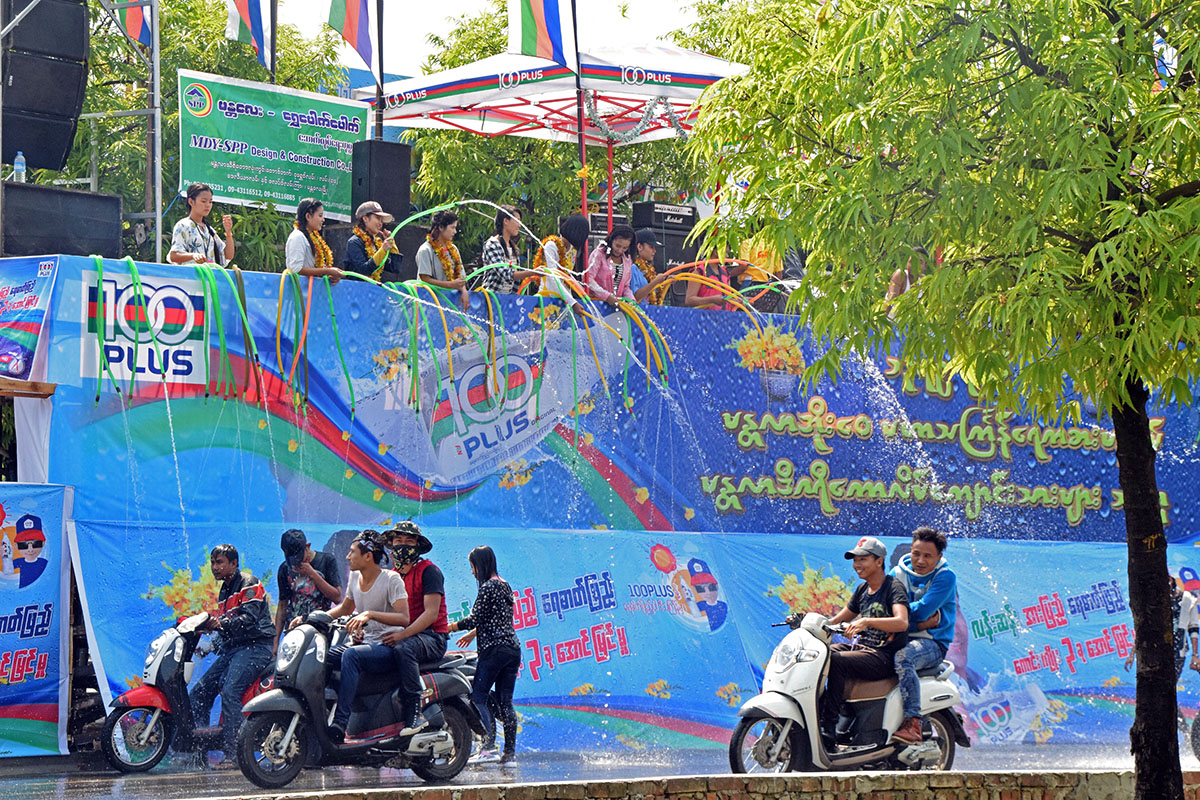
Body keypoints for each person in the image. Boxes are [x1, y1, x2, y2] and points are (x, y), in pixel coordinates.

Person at [303, 532, 409, 744]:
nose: (347, 557)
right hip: (364, 645)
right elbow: (345, 608)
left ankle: (341, 724)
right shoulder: (354, 577)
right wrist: (309, 619)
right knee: (321, 658)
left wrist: (369, 614)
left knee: (350, 656)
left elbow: (404, 618)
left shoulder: (391, 579)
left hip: (387, 647)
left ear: (368, 556)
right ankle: (317, 716)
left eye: (352, 552)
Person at [816, 536, 910, 746]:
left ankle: (828, 726)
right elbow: (836, 620)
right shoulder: (861, 590)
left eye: (862, 559)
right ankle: (819, 714)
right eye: (854, 560)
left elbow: (902, 622)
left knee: (837, 660)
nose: (857, 565)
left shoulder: (893, 588)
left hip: (884, 656)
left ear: (879, 561)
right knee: (822, 655)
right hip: (864, 650)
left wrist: (867, 621)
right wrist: (808, 623)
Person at [189, 544, 275, 766]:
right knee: (199, 693)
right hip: (236, 649)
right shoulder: (224, 590)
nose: (215, 567)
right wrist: (208, 645)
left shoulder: (250, 583)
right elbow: (226, 628)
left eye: (220, 562)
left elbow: (249, 619)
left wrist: (220, 623)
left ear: (234, 564)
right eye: (213, 563)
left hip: (256, 648)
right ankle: (197, 755)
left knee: (230, 690)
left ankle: (235, 755)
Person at [448, 545, 521, 763]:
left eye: (473, 567)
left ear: (481, 564)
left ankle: (488, 747)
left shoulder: (488, 587)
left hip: (494, 650)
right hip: (512, 649)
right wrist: (473, 634)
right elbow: (497, 618)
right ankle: (509, 753)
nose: (472, 572)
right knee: (505, 702)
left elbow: (474, 617)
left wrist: (448, 627)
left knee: (477, 697)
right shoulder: (504, 584)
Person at [381, 522, 451, 736]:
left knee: (404, 649)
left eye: (409, 541)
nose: (403, 546)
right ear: (391, 545)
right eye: (398, 541)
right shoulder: (390, 576)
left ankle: (415, 712)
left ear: (419, 546)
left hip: (432, 637)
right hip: (405, 635)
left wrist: (401, 635)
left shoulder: (429, 571)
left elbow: (430, 614)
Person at [889, 527, 957, 745]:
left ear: (939, 556)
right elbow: (883, 608)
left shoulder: (945, 577)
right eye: (916, 553)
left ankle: (913, 722)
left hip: (931, 644)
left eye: (928, 556)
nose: (920, 560)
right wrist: (916, 622)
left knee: (903, 658)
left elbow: (922, 609)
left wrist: (902, 618)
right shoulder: (897, 574)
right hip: (900, 635)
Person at [273, 529, 341, 654]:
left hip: (321, 630)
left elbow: (337, 597)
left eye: (299, 558)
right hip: (294, 631)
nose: (297, 563)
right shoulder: (284, 569)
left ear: (307, 546)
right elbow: (282, 606)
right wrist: (276, 640)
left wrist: (311, 573)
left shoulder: (326, 561)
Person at [168, 183, 234, 265]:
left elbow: (228, 256)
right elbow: (173, 256)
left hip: (209, 276)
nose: (208, 205)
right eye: (203, 201)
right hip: (190, 276)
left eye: (210, 202)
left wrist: (228, 232)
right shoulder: (183, 225)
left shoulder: (209, 230)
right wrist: (192, 256)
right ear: (191, 202)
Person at [417, 210, 469, 310]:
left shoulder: (453, 249)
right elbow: (425, 279)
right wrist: (450, 285)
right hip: (429, 304)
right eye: (452, 227)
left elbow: (460, 278)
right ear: (441, 227)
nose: (455, 231)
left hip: (450, 303)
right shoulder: (426, 250)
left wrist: (464, 290)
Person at [481, 205, 537, 294]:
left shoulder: (513, 246)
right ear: (506, 221)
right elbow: (507, 274)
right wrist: (534, 272)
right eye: (517, 220)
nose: (519, 225)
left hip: (508, 301)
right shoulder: (492, 244)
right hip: (490, 299)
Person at [285, 198, 344, 282]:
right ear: (308, 216)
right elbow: (296, 269)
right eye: (320, 215)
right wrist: (327, 271)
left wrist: (329, 275)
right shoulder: (297, 236)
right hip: (300, 291)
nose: (323, 220)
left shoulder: (314, 237)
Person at [344, 200, 401, 280]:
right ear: (365, 218)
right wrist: (383, 250)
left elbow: (394, 268)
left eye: (382, 220)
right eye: (378, 218)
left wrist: (392, 245)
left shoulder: (376, 243)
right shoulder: (354, 242)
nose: (380, 223)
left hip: (373, 290)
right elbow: (364, 270)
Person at [584, 225, 637, 306]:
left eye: (625, 248)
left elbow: (626, 286)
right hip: (596, 303)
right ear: (611, 240)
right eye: (618, 246)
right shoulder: (599, 254)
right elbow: (587, 279)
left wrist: (631, 300)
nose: (620, 250)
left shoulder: (627, 260)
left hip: (615, 306)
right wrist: (606, 296)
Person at [628, 229, 669, 305]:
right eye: (651, 247)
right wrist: (655, 282)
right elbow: (634, 297)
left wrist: (666, 283)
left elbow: (654, 296)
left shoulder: (649, 269)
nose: (654, 251)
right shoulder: (632, 267)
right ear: (639, 247)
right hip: (636, 313)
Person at [13, 513, 48, 589]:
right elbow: (6, 570)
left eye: (36, 544)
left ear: (43, 543)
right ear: (16, 545)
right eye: (23, 545)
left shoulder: (45, 563)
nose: (30, 549)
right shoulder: (17, 562)